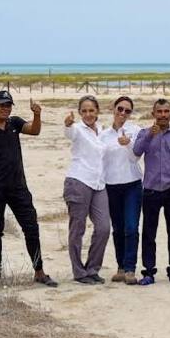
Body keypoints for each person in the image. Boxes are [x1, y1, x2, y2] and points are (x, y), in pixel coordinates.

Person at [0, 91, 57, 287]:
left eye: (8, 105)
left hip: (18, 187)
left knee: (31, 227)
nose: (5, 108)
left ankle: (39, 271)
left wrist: (37, 114)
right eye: (1, 105)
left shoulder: (14, 123)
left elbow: (34, 130)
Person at [133, 99, 170, 286]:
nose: (163, 115)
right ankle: (148, 272)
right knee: (149, 233)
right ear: (153, 114)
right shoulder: (144, 133)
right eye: (159, 111)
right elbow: (137, 151)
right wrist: (150, 134)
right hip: (150, 190)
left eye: (166, 111)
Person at [63, 95, 111, 285]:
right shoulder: (77, 129)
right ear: (80, 113)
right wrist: (68, 124)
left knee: (104, 228)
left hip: (99, 184)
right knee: (77, 229)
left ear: (97, 111)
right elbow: (69, 132)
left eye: (91, 110)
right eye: (84, 111)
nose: (88, 114)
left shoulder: (103, 131)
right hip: (78, 181)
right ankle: (79, 271)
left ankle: (92, 269)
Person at [101, 96, 144, 285]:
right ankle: (120, 267)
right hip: (110, 185)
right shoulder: (103, 134)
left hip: (132, 184)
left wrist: (128, 144)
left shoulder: (136, 131)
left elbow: (136, 157)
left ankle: (130, 269)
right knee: (117, 228)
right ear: (113, 108)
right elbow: (99, 160)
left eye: (127, 110)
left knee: (131, 227)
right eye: (120, 109)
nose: (123, 113)